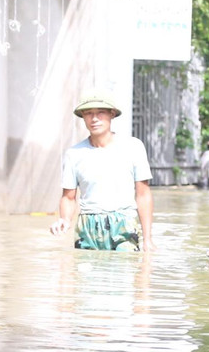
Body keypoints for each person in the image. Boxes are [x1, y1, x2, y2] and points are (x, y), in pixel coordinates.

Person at [49, 94, 154, 251]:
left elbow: (143, 194)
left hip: (124, 224)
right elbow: (69, 197)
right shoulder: (74, 154)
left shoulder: (134, 147)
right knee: (86, 273)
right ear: (83, 117)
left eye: (100, 113)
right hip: (87, 227)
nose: (94, 118)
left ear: (111, 114)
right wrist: (64, 219)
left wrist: (147, 239)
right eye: (89, 113)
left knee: (126, 271)